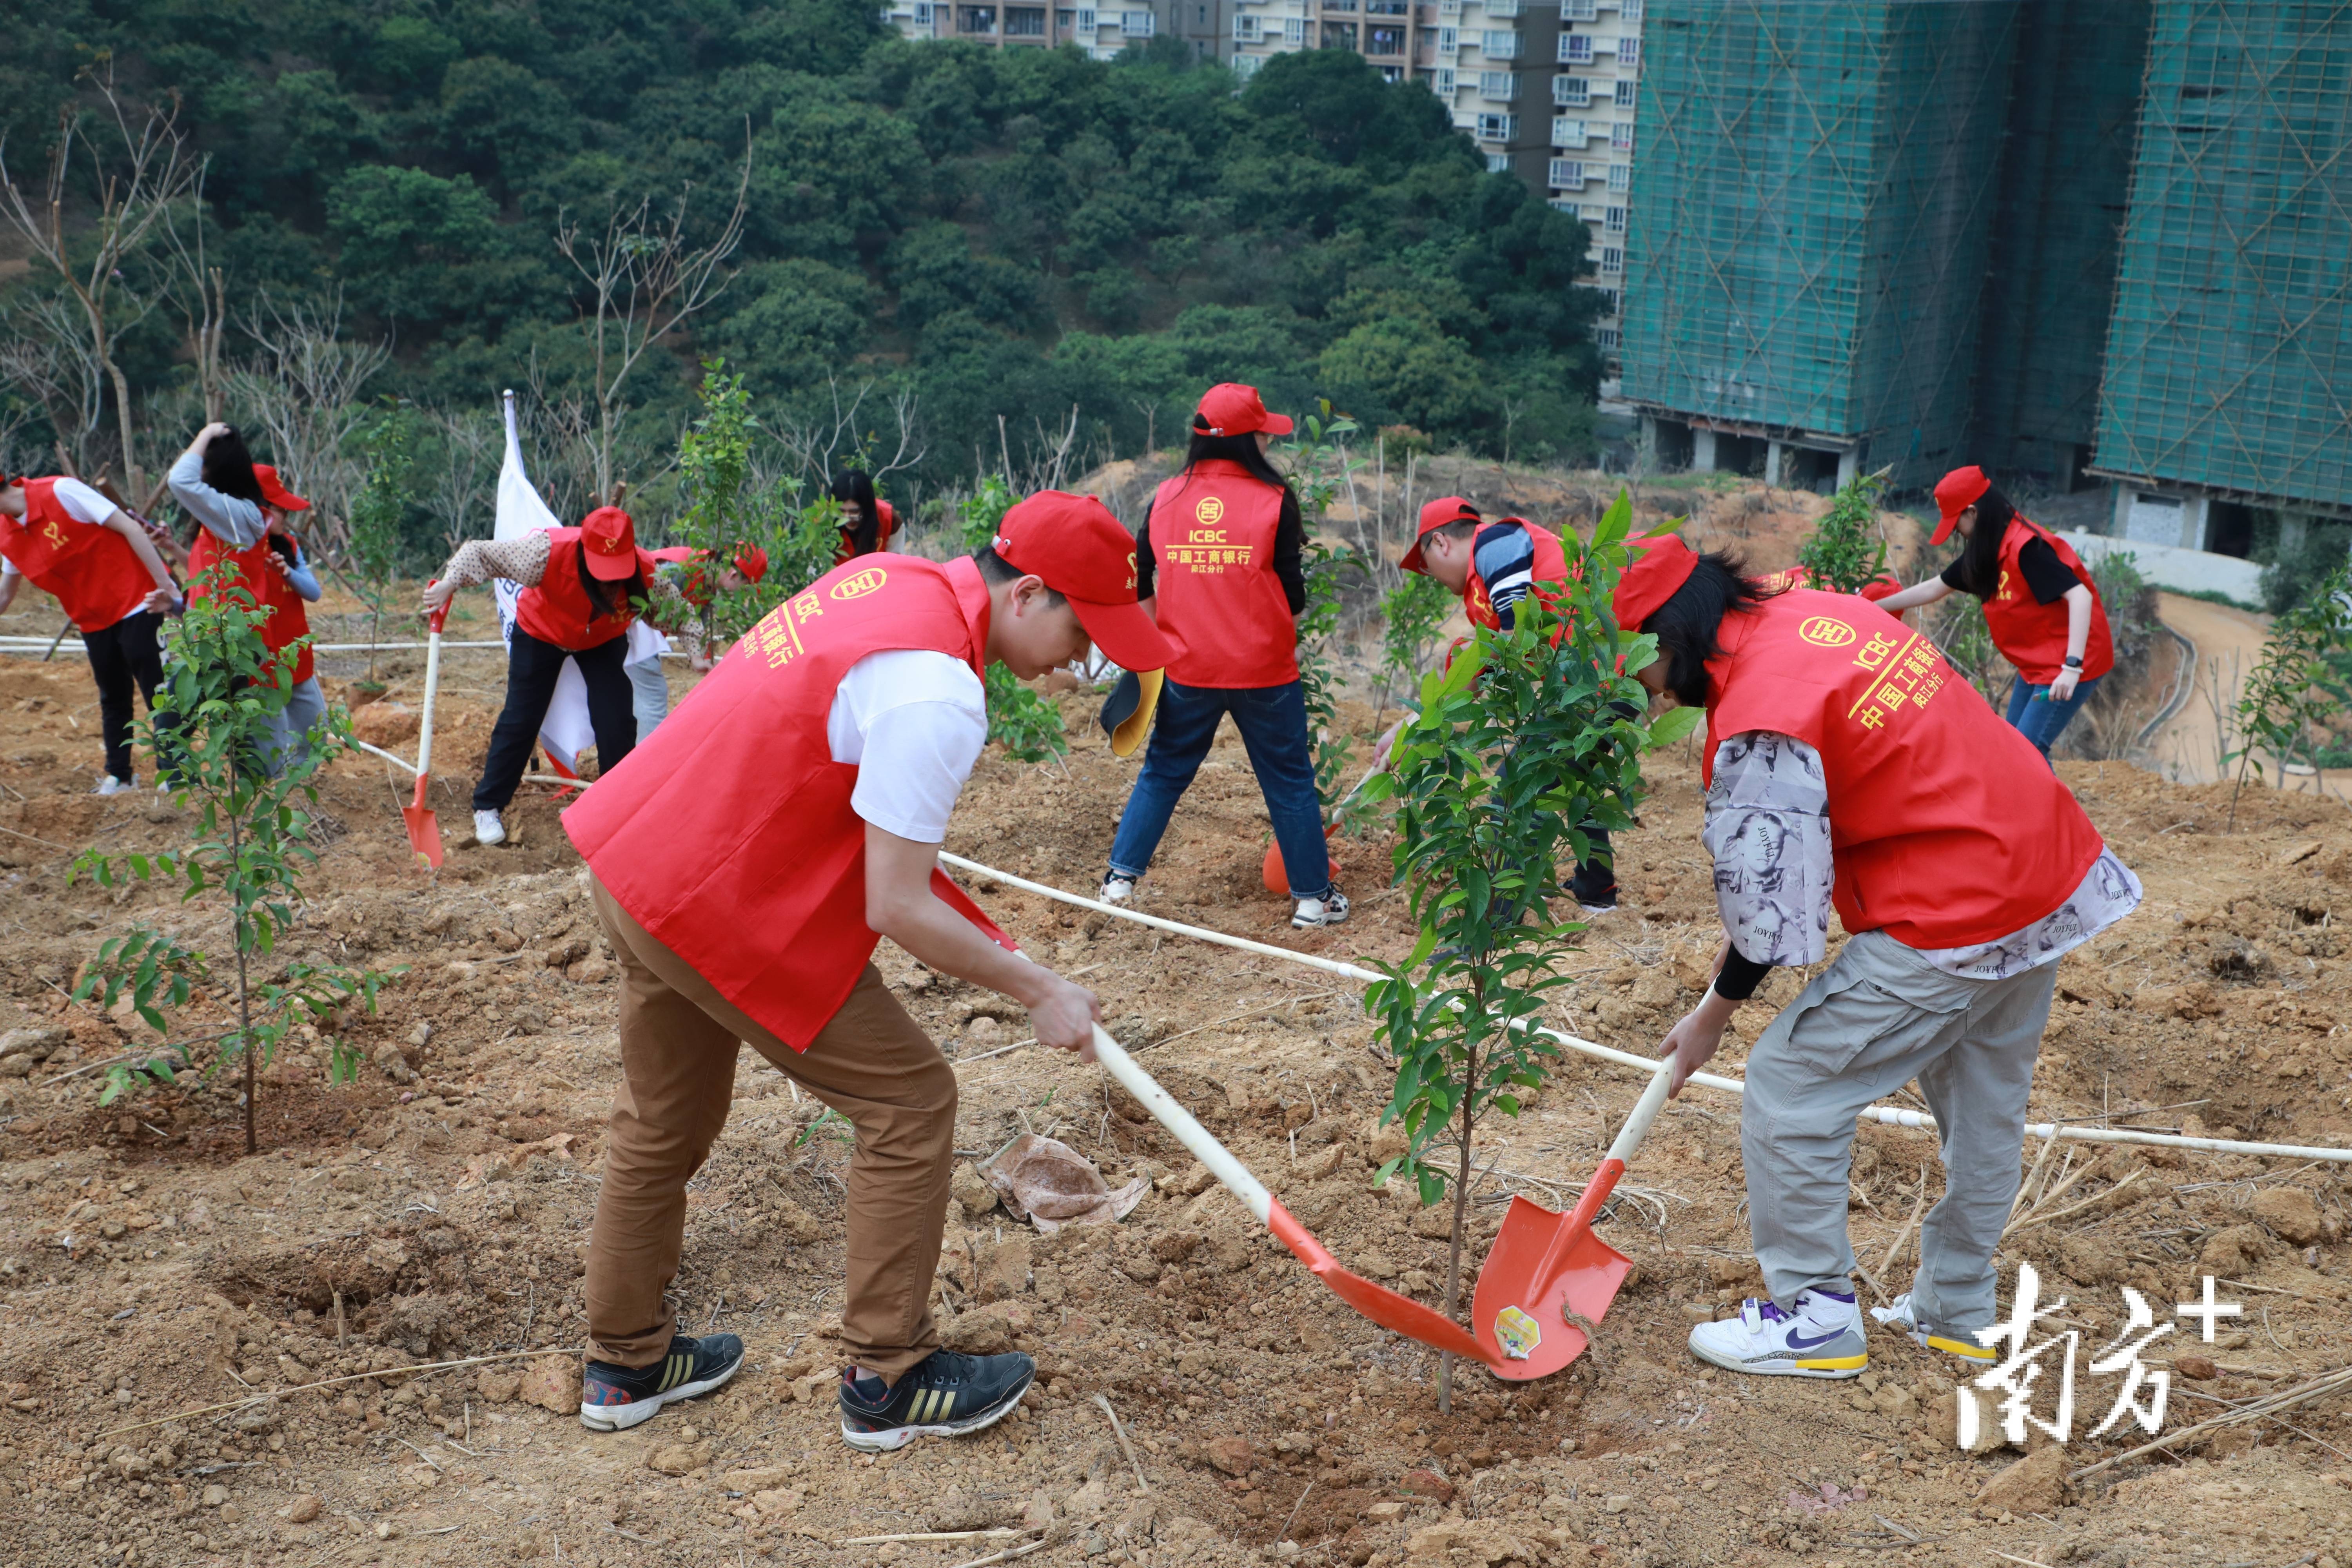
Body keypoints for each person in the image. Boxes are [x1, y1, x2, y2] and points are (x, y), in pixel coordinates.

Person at [561, 490, 1173, 1449]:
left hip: (643, 857)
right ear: (1029, 595)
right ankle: (889, 1376)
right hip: (715, 903)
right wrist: (1037, 989)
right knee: (912, 1101)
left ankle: (623, 1364)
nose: (1082, 664)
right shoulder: (939, 690)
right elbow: (895, 902)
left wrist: (1018, 957)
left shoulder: (887, 579)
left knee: (662, 1117)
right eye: (1084, 631)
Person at [1607, 535, 2141, 1382]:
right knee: (1985, 1098)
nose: (1641, 692)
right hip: (2042, 868)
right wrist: (1719, 990)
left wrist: (1712, 1015)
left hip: (1958, 901)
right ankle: (1957, 1309)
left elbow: (1775, 915)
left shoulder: (1761, 717)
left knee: (1791, 1083)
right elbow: (1784, 883)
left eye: (1637, 668)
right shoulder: (1818, 613)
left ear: (1668, 639)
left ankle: (1815, 1317)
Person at [1100, 382, 1347, 930]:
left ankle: (1119, 882)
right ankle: (1312, 900)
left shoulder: (1164, 497)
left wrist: (1156, 641)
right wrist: (1272, 636)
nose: (1267, 441)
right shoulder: (1275, 500)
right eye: (1263, 432)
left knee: (1163, 771)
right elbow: (1294, 596)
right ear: (1247, 440)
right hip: (1264, 670)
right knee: (1287, 779)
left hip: (1188, 666)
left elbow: (1138, 578)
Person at [1399, 495, 1621, 912]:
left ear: (1442, 542)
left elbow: (1515, 633)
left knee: (1517, 785)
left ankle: (1490, 925)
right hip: (1600, 680)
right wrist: (1407, 728)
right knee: (1577, 775)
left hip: (1593, 681)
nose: (1430, 575)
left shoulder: (1496, 545)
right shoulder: (1490, 574)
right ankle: (1598, 893)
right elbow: (1484, 662)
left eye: (1425, 563)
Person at [421, 505, 687, 848]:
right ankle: (488, 806)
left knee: (616, 719)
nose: (609, 580)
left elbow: (678, 613)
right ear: (584, 552)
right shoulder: (544, 553)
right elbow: (480, 553)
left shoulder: (646, 570)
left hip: (602, 639)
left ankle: (618, 809)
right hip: (541, 632)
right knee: (522, 718)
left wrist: (697, 653)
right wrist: (449, 582)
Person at [1871, 467, 2113, 760]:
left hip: (2070, 662)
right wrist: (1871, 607)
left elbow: (2080, 596)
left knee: (2028, 752)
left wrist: (2072, 668)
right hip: (2038, 662)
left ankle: (2051, 809)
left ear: (1973, 512)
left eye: (1956, 523)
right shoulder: (1987, 552)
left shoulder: (2026, 549)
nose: (1957, 532)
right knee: (2013, 746)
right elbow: (1936, 587)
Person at [0, 471, 183, 793]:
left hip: (135, 599)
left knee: (156, 687)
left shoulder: (60, 491)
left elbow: (129, 528)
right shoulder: (8, 535)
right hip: (91, 619)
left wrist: (165, 585)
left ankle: (172, 772)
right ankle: (120, 775)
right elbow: (5, 594)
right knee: (112, 694)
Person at [170, 426, 327, 774]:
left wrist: (287, 572)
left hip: (288, 649)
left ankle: (297, 783)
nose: (285, 517)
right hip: (257, 651)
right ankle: (255, 785)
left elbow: (313, 591)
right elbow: (206, 581)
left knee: (312, 728)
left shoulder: (275, 541)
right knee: (246, 728)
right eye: (281, 509)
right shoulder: (229, 531)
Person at [637, 543, 771, 725]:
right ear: (732, 575)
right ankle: (647, 752)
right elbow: (638, 612)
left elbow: (696, 625)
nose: (742, 595)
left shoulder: (708, 584)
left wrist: (700, 658)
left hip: (645, 635)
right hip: (632, 627)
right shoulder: (679, 571)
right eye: (744, 588)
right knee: (653, 697)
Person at [832, 471, 897, 564]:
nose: (847, 518)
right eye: (842, 512)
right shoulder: (823, 524)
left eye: (854, 512)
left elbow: (897, 565)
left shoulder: (889, 519)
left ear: (867, 508)